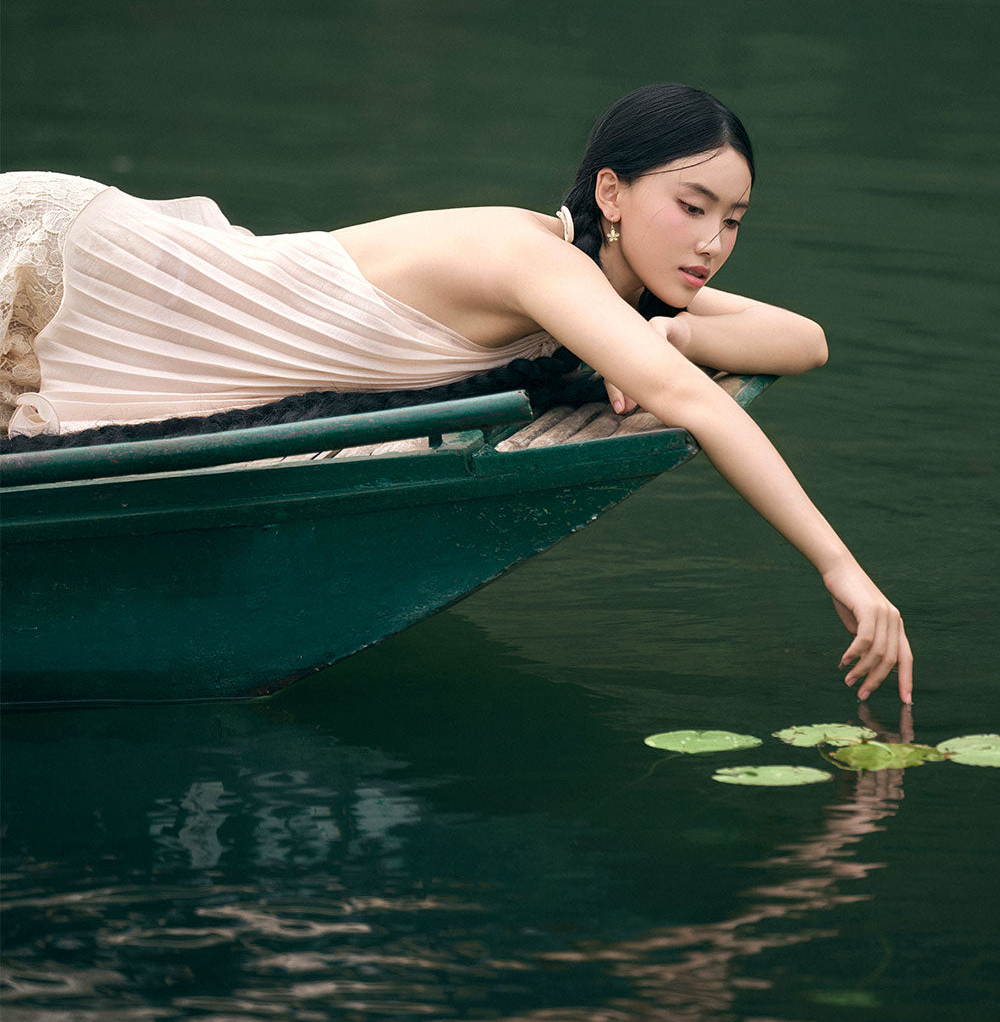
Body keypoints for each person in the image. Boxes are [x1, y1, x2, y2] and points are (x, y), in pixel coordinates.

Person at [0, 83, 912, 703]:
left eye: (733, 220)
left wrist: (668, 334)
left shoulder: (616, 287)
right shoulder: (536, 262)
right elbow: (698, 404)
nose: (712, 242)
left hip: (189, 327)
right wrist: (841, 568)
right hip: (114, 280)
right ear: (612, 192)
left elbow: (807, 341)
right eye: (692, 205)